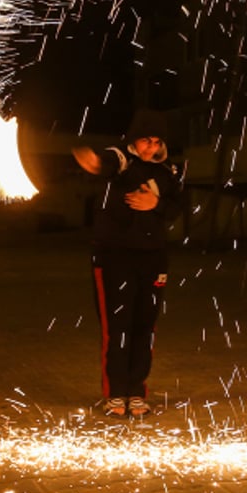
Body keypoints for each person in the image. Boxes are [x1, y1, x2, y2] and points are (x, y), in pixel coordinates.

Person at [72, 109, 182, 417]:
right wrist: (96, 164)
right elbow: (111, 163)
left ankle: (137, 392)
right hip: (114, 256)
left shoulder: (169, 169)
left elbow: (177, 207)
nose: (151, 147)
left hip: (154, 256)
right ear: (134, 139)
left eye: (156, 141)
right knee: (118, 327)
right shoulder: (120, 157)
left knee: (145, 326)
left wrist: (156, 204)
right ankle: (115, 394)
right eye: (145, 141)